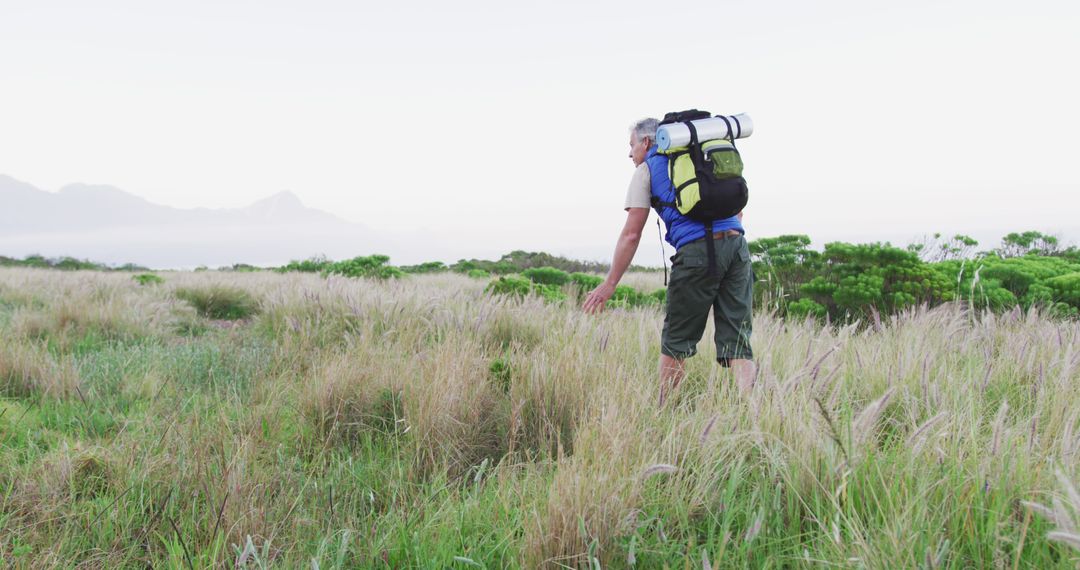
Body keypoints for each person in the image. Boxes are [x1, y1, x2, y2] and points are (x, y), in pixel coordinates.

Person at [582, 118, 756, 404]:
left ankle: (666, 410)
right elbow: (737, 209)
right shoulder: (700, 156)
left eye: (631, 145)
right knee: (738, 339)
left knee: (676, 340)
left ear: (647, 142)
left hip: (695, 252)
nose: (629, 153)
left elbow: (631, 233)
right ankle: (751, 410)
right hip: (737, 247)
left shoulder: (648, 169)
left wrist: (610, 284)